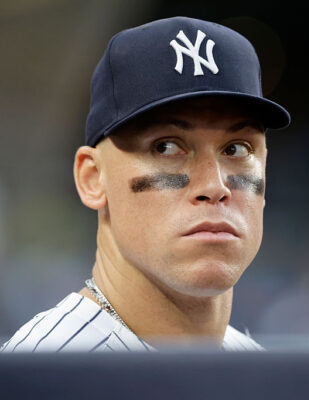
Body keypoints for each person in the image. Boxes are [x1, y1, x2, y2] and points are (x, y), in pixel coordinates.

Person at [1, 16, 290, 352]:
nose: (214, 186)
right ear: (92, 178)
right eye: (166, 146)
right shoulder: (42, 374)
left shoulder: (258, 367)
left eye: (236, 149)